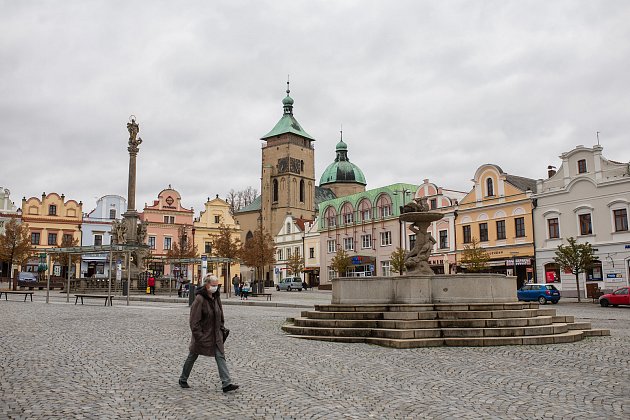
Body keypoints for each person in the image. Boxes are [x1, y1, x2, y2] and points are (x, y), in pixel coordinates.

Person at [179, 275, 239, 393]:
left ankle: (226, 383)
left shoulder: (216, 297)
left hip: (216, 334)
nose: (215, 288)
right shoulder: (199, 299)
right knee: (192, 356)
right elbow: (194, 321)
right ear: (206, 285)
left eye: (217, 285)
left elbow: (220, 313)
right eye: (213, 285)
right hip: (203, 335)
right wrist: (199, 336)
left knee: (220, 356)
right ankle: (183, 378)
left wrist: (222, 328)